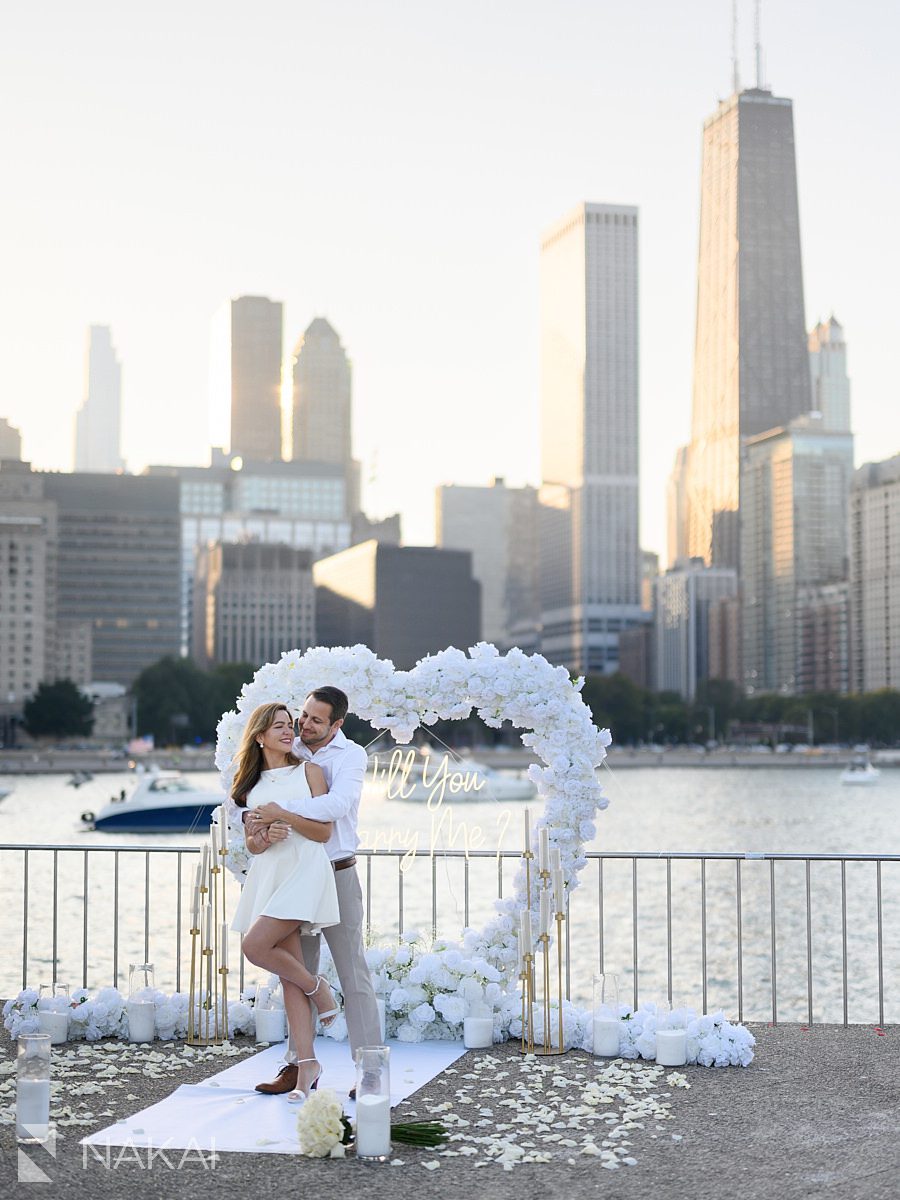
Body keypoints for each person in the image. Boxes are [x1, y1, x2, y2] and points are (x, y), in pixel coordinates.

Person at [248, 686, 381, 1098]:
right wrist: (262, 822)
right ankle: (299, 1065)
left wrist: (282, 812)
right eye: (303, 716)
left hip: (336, 873)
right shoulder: (293, 753)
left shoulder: (350, 756)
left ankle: (371, 1071)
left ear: (337, 724)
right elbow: (252, 800)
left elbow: (337, 807)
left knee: (352, 972)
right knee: (293, 973)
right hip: (293, 878)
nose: (304, 725)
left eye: (315, 720)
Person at [230, 701, 342, 1102]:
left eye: (288, 726)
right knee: (288, 976)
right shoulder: (251, 787)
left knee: (254, 946)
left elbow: (324, 832)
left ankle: (319, 988)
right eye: (277, 727)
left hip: (304, 872)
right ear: (259, 736)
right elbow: (252, 844)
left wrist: (285, 817)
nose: (287, 732)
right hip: (271, 875)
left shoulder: (310, 771)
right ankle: (307, 1064)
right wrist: (264, 837)